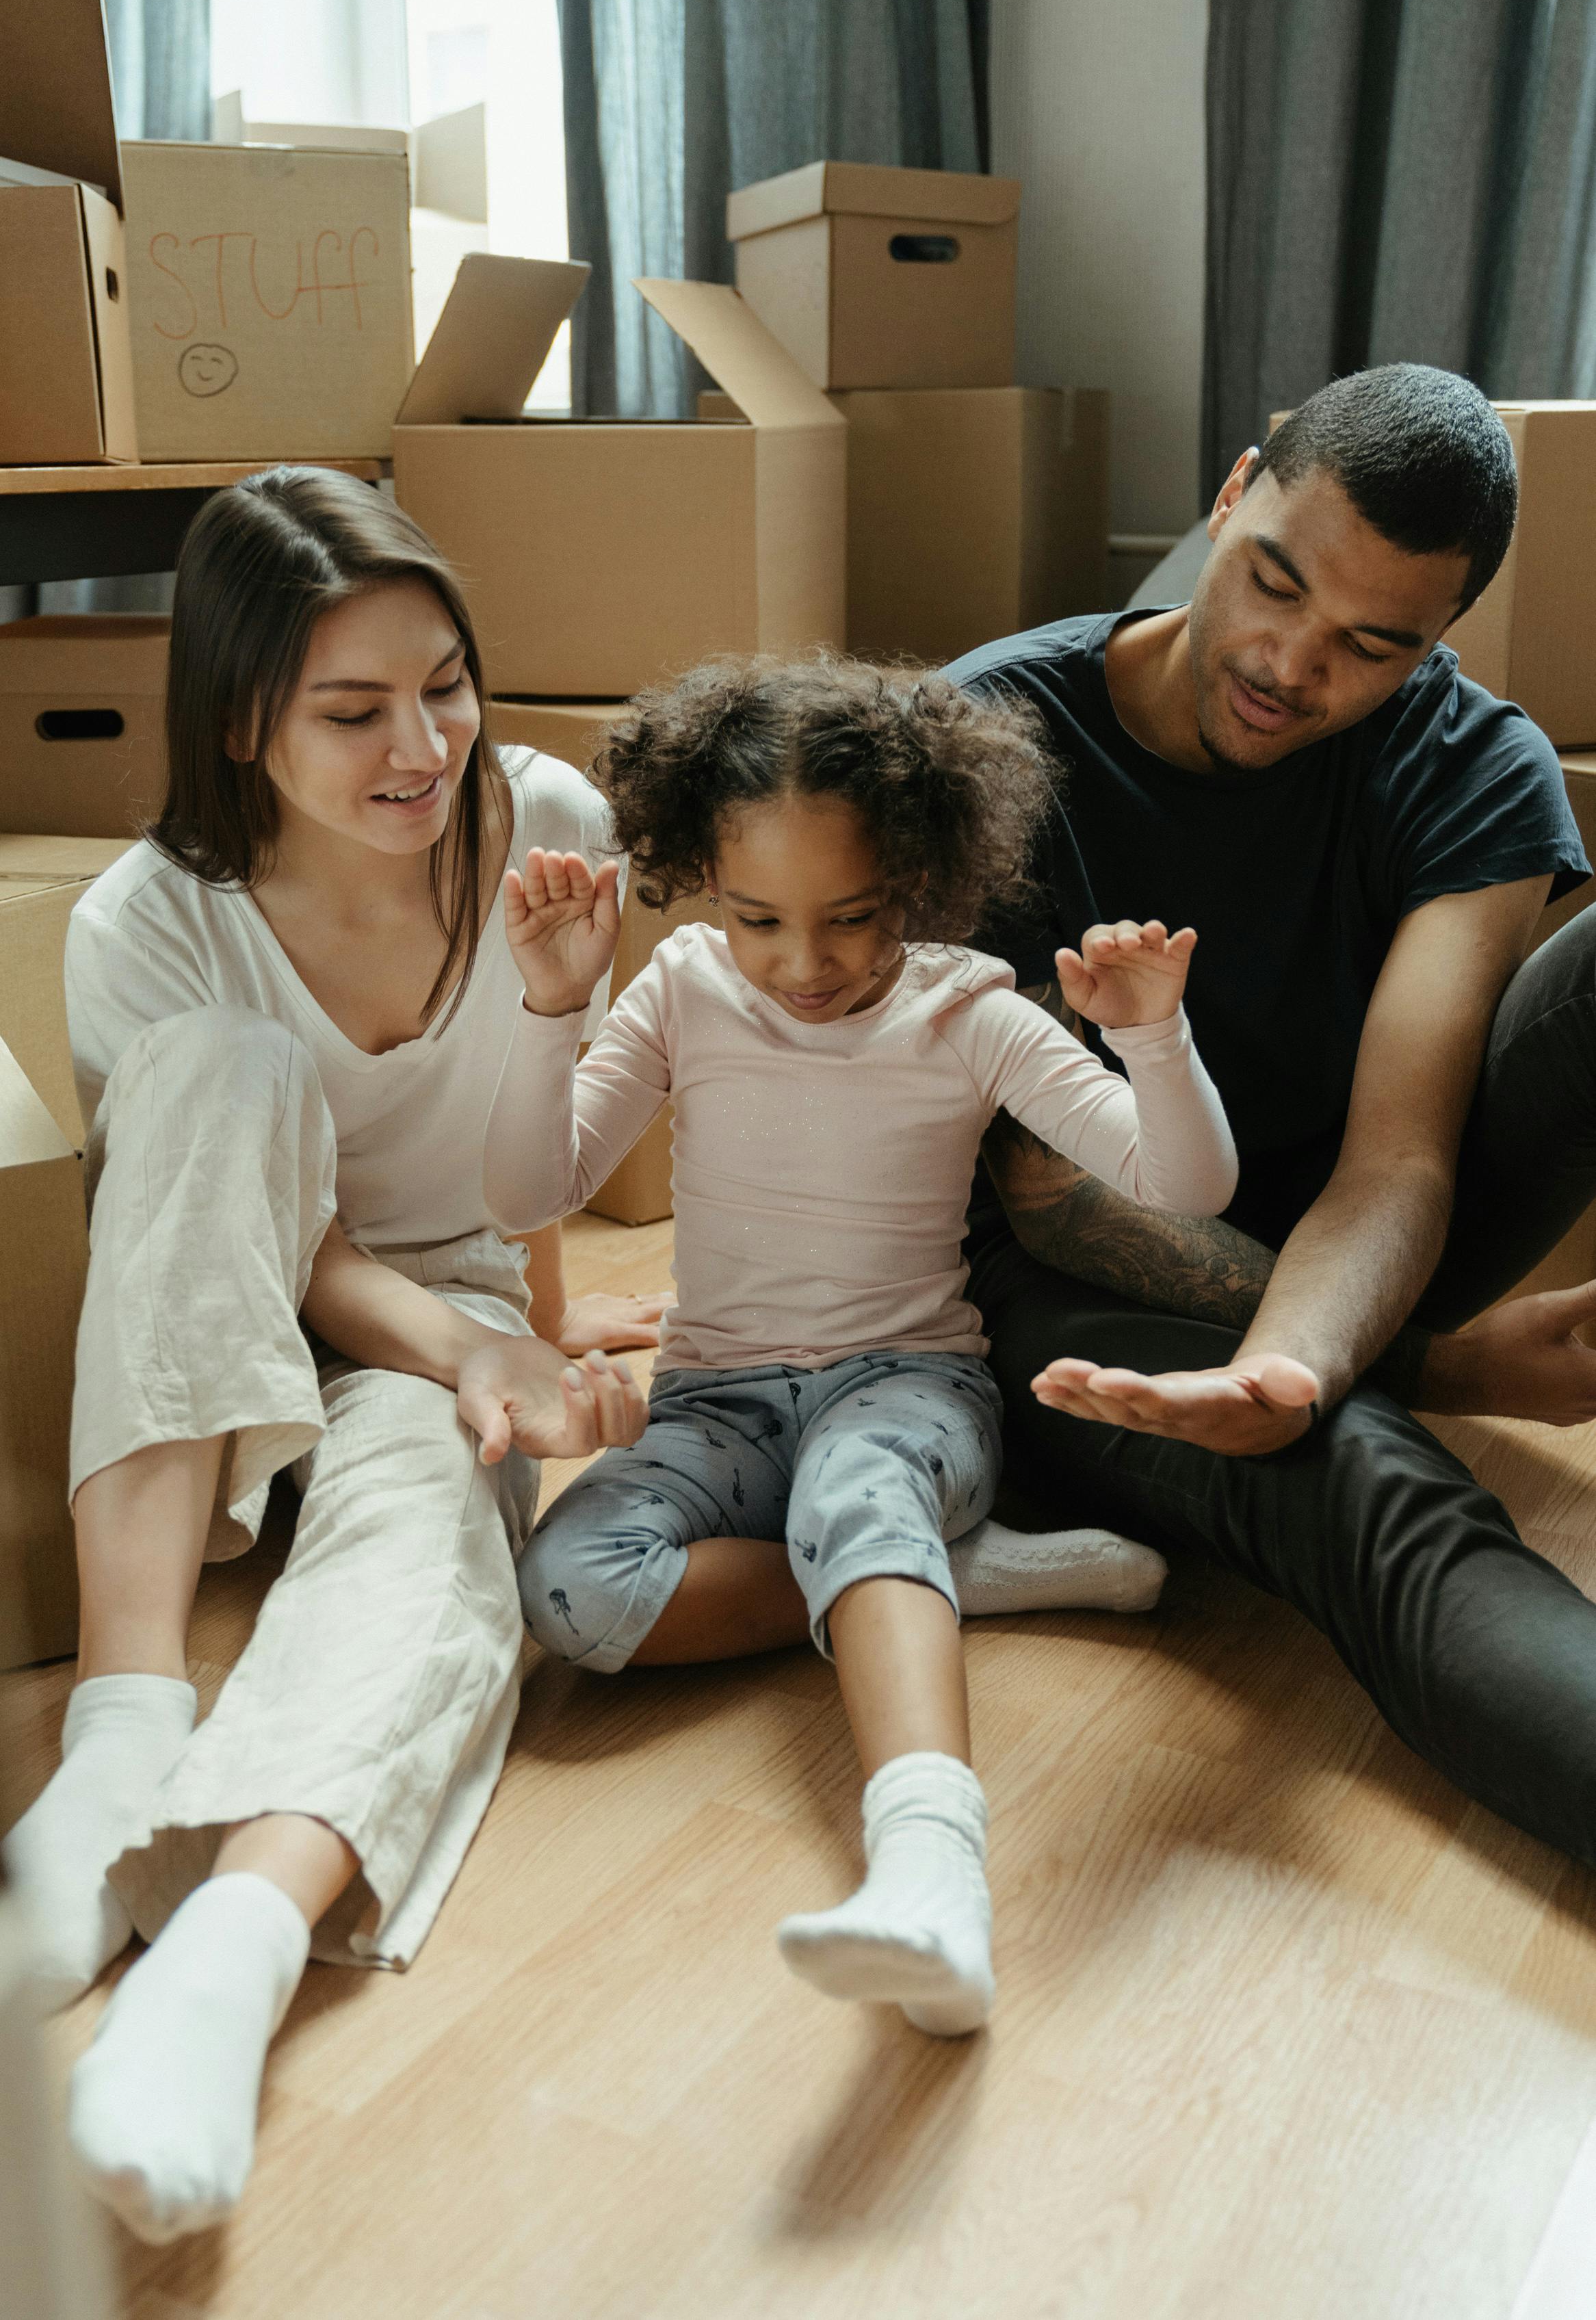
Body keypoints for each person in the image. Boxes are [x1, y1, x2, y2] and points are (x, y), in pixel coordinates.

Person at [1, 469, 666, 2244]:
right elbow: (260, 1239)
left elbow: (538, 1119)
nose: (422, 744)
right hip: (225, 1282)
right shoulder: (151, 915)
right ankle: (119, 1734)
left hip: (438, 1301)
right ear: (238, 716)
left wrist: (523, 1326)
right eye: (353, 708)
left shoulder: (543, 816)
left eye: (444, 683)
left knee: (442, 1517)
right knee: (223, 1070)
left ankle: (228, 1952)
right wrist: (469, 1332)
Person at [480, 654, 1238, 2033]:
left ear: (925, 877)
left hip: (907, 1386)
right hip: (713, 1399)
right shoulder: (684, 991)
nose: (805, 962)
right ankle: (933, 1576)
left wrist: (1159, 1042)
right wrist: (551, 1006)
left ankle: (931, 1875)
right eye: (758, 915)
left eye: (856, 916)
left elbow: (1184, 1186)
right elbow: (527, 1194)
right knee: (571, 1589)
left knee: (855, 1489)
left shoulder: (970, 1014)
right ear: (703, 871)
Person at [950, 363, 1596, 1874]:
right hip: (1058, 1290)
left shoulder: (1468, 762)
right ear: (1235, 492)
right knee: (1372, 1485)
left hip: (1342, 1238)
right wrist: (1412, 1367)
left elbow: (1399, 1161)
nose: (1291, 666)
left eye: (1372, 646)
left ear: (1440, 637)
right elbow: (1049, 1197)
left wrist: (1304, 1354)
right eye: (1274, 585)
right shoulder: (987, 735)